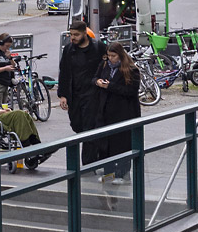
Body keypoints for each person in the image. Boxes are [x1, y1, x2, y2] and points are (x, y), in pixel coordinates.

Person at [92, 42, 142, 187]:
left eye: (113, 56)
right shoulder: (104, 65)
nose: (110, 59)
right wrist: (98, 82)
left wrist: (110, 86)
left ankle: (123, 173)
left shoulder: (131, 70)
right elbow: (94, 78)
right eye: (108, 56)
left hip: (123, 112)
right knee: (105, 145)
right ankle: (109, 173)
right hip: (105, 111)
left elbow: (131, 91)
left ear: (120, 55)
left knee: (122, 145)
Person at [58, 21, 106, 165]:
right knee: (77, 125)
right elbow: (64, 72)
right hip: (75, 95)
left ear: (85, 33)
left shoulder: (98, 48)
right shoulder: (69, 49)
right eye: (71, 34)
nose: (73, 38)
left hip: (93, 95)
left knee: (89, 128)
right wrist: (63, 95)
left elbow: (107, 66)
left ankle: (88, 163)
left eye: (76, 35)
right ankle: (96, 153)